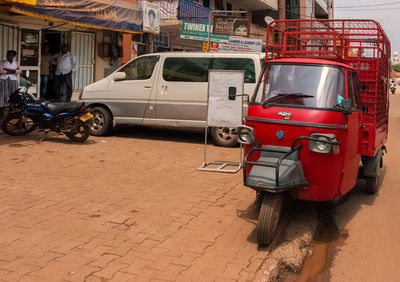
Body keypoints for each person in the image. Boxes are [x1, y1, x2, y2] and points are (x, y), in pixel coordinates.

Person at [0, 50, 21, 116]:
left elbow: (19, 71)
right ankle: (1, 111)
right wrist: (13, 71)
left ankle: (11, 111)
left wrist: (7, 70)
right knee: (3, 94)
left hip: (13, 80)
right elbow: (1, 71)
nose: (9, 56)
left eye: (11, 55)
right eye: (8, 55)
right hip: (4, 80)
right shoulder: (2, 62)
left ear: (14, 56)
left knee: (13, 95)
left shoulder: (16, 63)